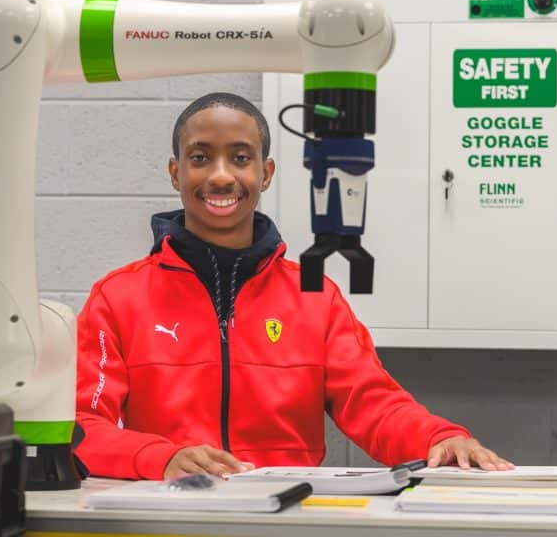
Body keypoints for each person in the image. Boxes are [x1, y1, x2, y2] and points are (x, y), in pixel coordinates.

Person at [75, 92, 513, 480]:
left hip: (286, 518)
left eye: (240, 158)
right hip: (168, 518)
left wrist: (439, 438)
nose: (221, 176)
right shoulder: (118, 298)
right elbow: (80, 425)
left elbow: (373, 402)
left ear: (265, 173)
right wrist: (161, 457)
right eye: (201, 158)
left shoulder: (315, 297)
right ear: (176, 172)